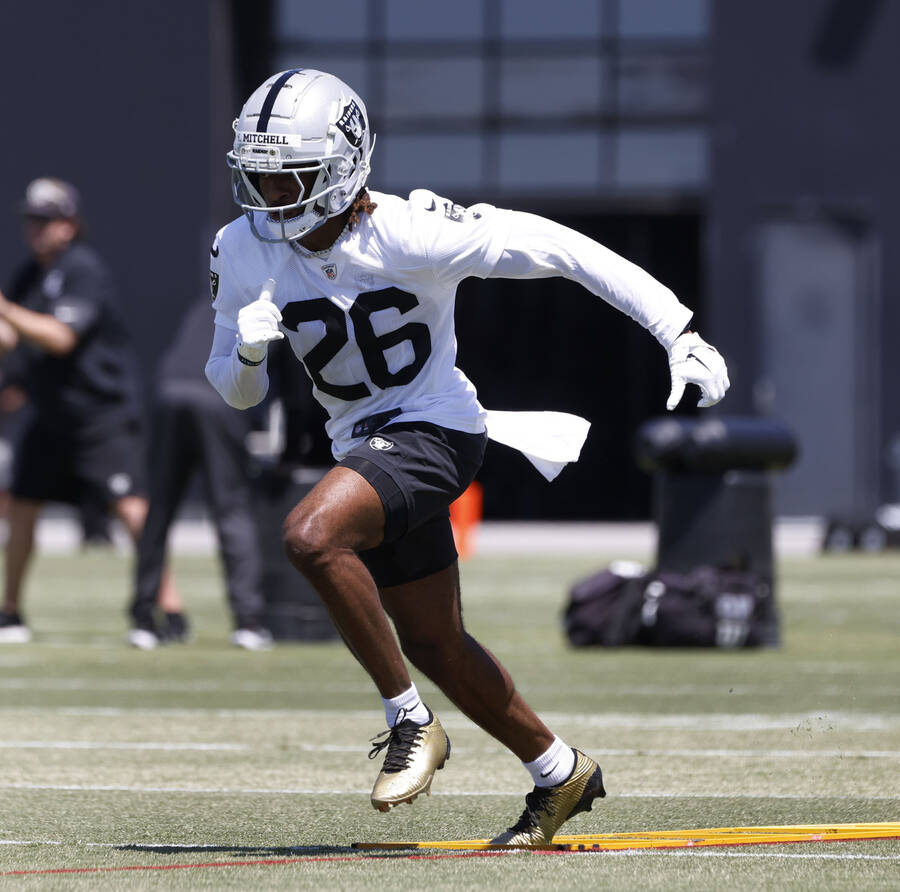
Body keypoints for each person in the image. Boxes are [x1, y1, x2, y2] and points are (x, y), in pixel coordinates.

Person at [206, 69, 728, 844]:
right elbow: (236, 391)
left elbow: (557, 247)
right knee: (434, 641)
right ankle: (560, 772)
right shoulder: (241, 246)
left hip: (436, 429)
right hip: (362, 443)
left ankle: (409, 721)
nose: (271, 194)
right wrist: (248, 355)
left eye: (290, 176)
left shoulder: (409, 231)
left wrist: (675, 329)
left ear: (342, 169)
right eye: (260, 175)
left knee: (310, 535)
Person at [0, 178, 182, 643]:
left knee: (130, 506)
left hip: (101, 414)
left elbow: (60, 337)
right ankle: (10, 612)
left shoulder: (84, 269)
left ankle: (170, 609)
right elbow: (11, 338)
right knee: (22, 505)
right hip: (51, 414)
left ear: (69, 224)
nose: (35, 228)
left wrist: (6, 310)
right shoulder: (29, 275)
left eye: (45, 220)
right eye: (31, 220)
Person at [127, 297, 272, 651]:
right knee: (231, 509)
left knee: (159, 510)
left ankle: (144, 620)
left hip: (169, 393)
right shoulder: (274, 311)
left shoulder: (210, 303)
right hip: (217, 400)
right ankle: (248, 622)